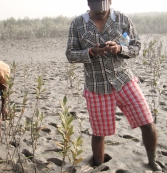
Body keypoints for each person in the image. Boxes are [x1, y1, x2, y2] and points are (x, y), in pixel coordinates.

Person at [65, 0, 162, 171]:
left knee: (147, 122)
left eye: (103, 9)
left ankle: (152, 161)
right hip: (96, 86)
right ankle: (99, 166)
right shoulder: (77, 24)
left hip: (124, 81)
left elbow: (136, 47)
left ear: (110, 1)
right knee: (99, 133)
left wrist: (119, 49)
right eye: (96, 10)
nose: (100, 13)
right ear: (88, 3)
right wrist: (91, 52)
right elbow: (70, 54)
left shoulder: (123, 20)